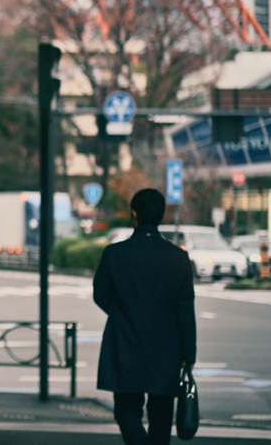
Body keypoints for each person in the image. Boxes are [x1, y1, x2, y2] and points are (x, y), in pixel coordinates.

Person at [94, 188, 196, 445]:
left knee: (126, 410)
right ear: (161, 215)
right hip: (167, 346)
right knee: (161, 415)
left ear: (134, 214)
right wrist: (189, 353)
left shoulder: (114, 254)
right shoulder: (178, 258)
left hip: (125, 342)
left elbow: (100, 294)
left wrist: (122, 313)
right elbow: (185, 309)